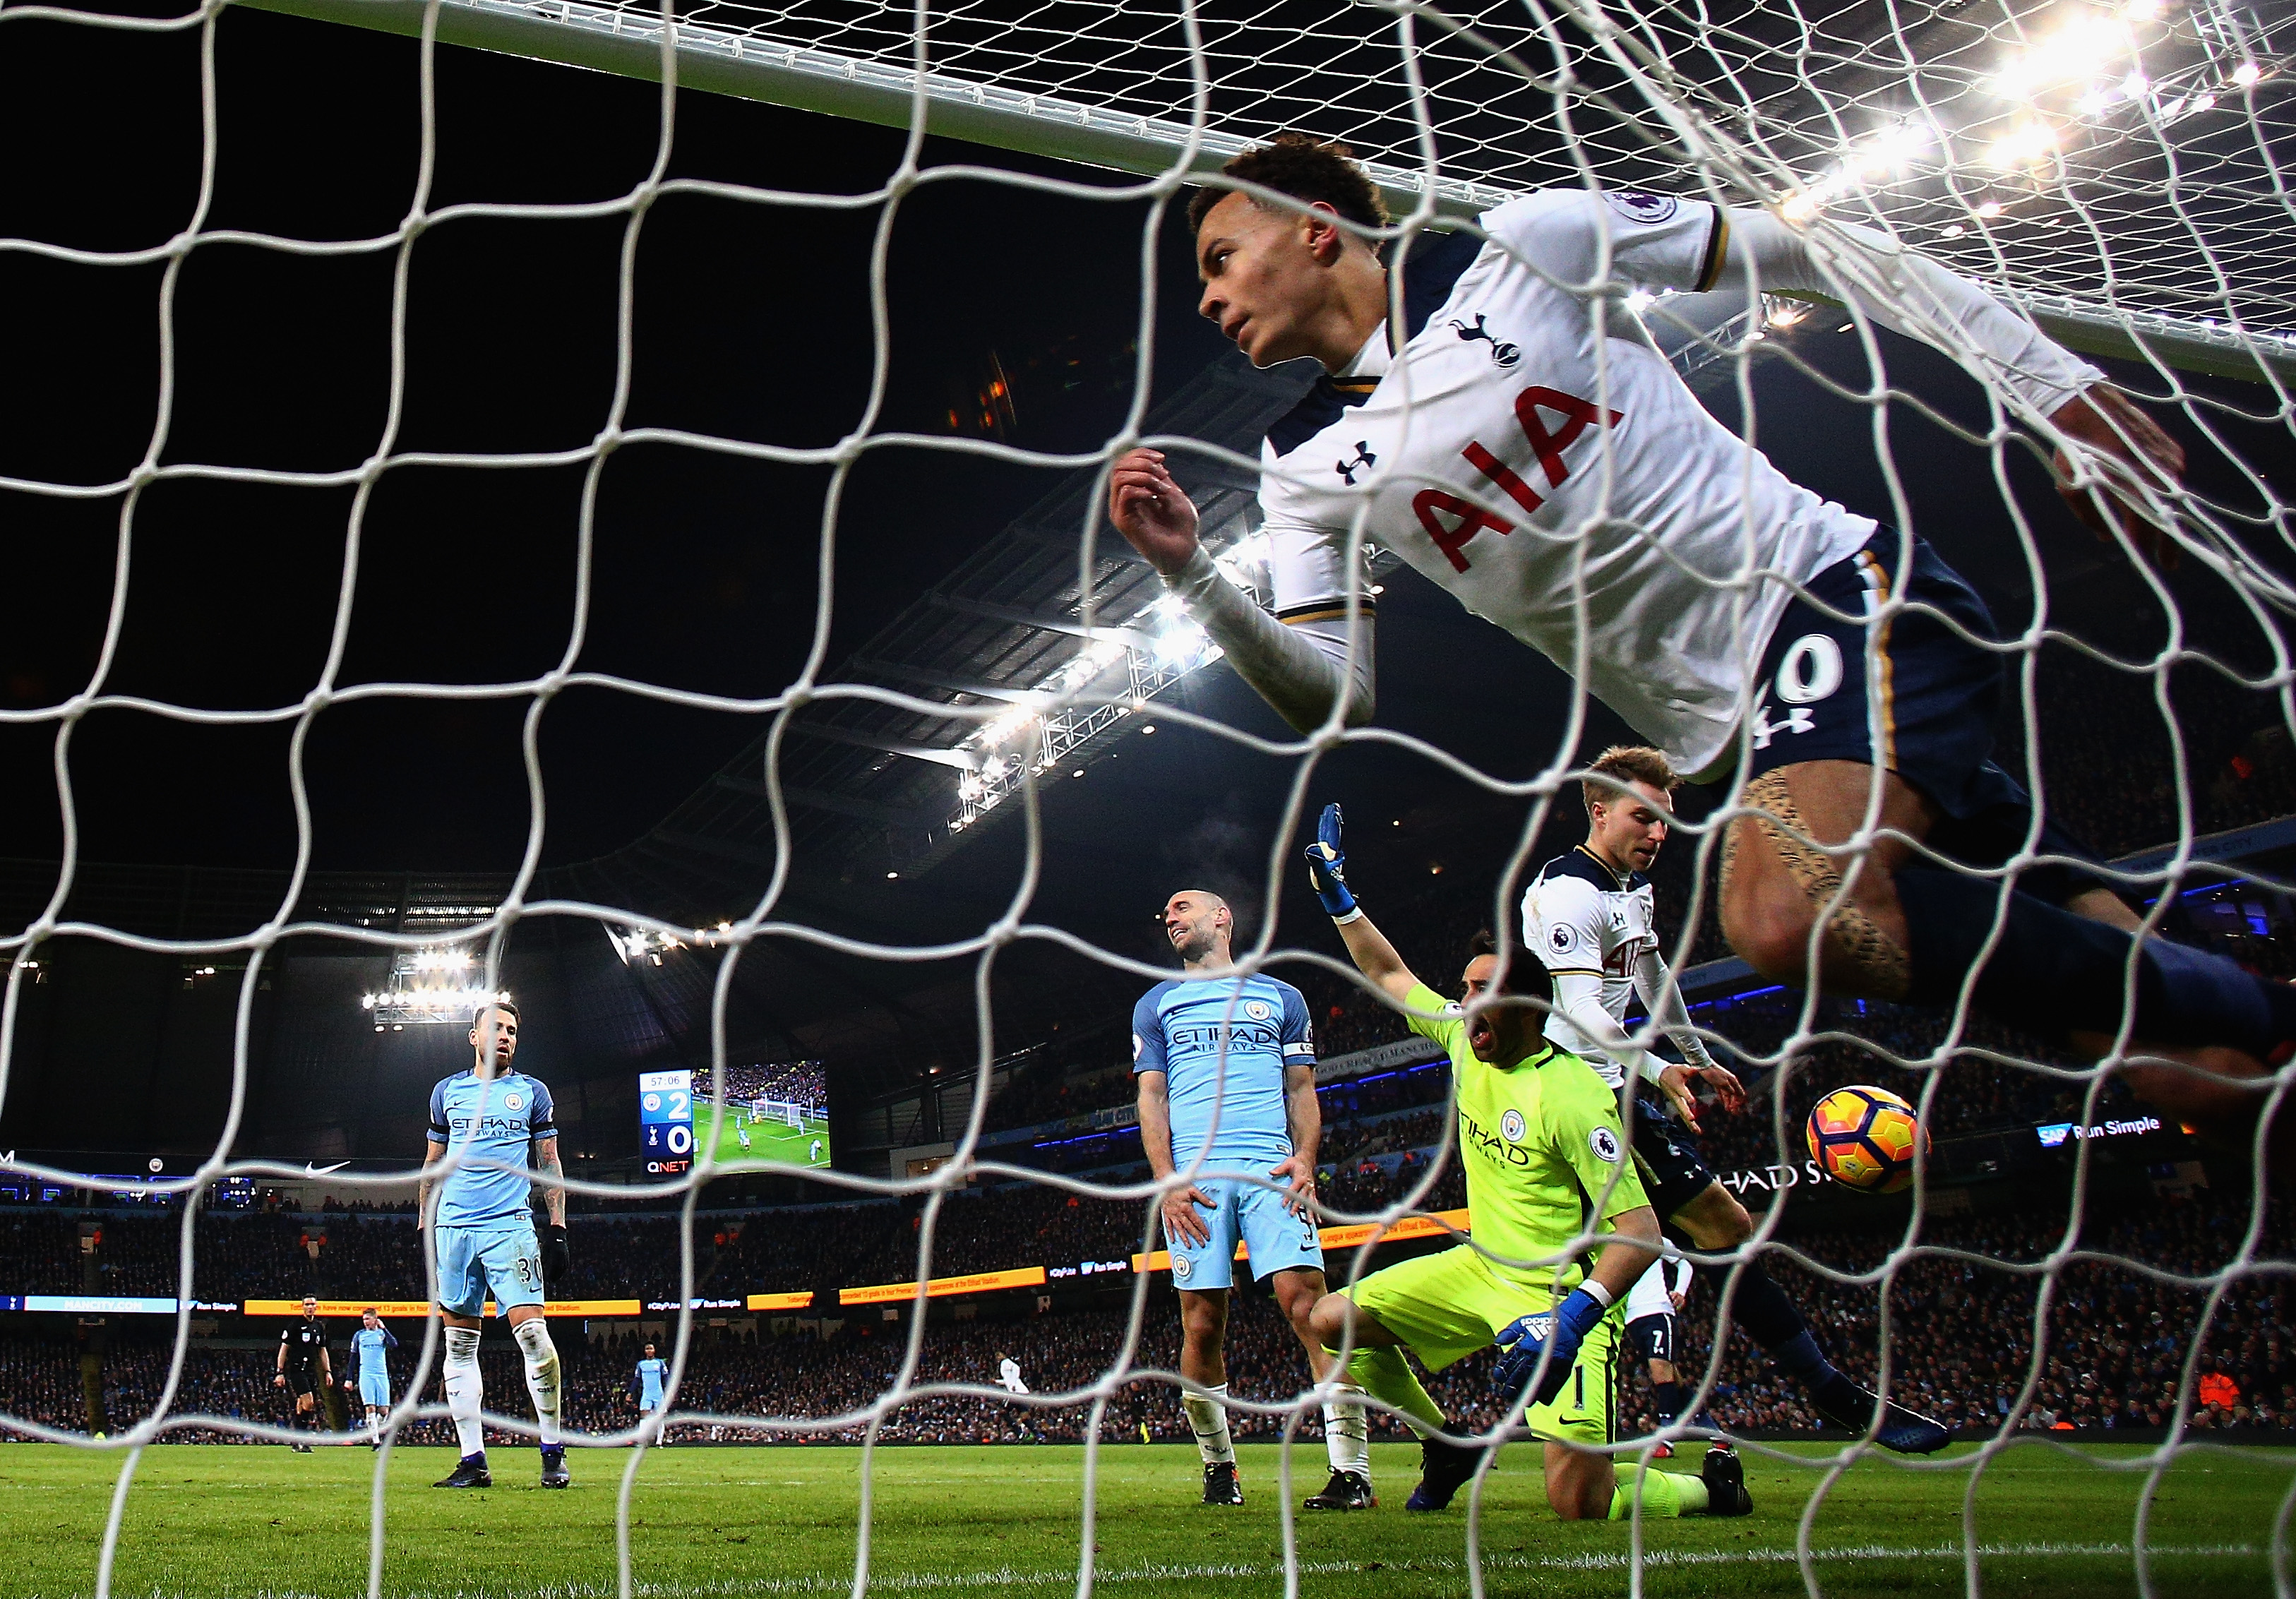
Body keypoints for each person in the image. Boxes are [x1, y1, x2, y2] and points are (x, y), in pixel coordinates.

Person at [1106, 133, 2292, 1139]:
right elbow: (1334, 702)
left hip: (1831, 592)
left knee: (1780, 915)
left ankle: (2255, 1002)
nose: (1209, 298)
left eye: (1220, 260)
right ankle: (2231, 1026)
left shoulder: (1529, 248)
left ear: (1318, 229)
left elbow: (1820, 248)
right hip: (1749, 739)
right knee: (2189, 1080)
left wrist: (2053, 391)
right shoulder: (1302, 470)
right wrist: (1194, 576)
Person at [1519, 750, 1948, 1451]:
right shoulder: (1568, 892)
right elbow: (1584, 1011)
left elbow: (1654, 973)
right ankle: (1828, 1396)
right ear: (1599, 812)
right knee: (1707, 1233)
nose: (1658, 833)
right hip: (1572, 1090)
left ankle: (1684, 1404)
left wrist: (1697, 1057)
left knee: (1703, 1236)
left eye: (1665, 820)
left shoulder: (1630, 887)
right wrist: (1660, 1072)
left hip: (1615, 1085)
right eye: (1642, 816)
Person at [1301, 906, 1750, 1521]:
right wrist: (1342, 904)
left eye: (1483, 990)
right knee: (1331, 1319)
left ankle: (1709, 1490)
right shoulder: (1462, 1037)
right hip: (1482, 1270)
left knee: (1581, 1504)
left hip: (1561, 1296)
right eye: (1464, 988)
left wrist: (1572, 1316)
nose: (1464, 1003)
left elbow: (1641, 1233)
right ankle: (1448, 1442)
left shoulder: (1573, 1096)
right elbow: (1389, 971)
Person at [1135, 888, 1372, 1510]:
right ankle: (1220, 1469)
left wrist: (1308, 1160)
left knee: (1310, 1309)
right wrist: (1167, 1180)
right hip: (1197, 1183)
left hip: (1272, 1172)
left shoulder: (1282, 998)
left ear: (1222, 918)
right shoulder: (1155, 1005)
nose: (1170, 917)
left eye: (1181, 907)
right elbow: (1152, 1099)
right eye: (1168, 913)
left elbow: (1301, 1088)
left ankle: (1352, 1473)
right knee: (1201, 1322)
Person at [421, 999, 571, 1490]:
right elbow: (432, 1164)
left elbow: (549, 1161)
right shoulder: (447, 1092)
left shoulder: (531, 1092)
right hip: (455, 1230)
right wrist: (425, 1223)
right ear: (474, 1037)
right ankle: (473, 1460)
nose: (505, 1036)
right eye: (496, 1028)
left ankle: (552, 1451)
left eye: (511, 1030)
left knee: (534, 1337)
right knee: (459, 1346)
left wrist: (558, 1227)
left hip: (510, 1226)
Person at [1622, 1255, 1698, 1459]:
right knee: (1672, 1375)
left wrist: (1680, 1291)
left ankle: (1666, 1439)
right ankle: (1712, 1428)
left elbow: (1684, 1263)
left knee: (1661, 1371)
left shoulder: (1655, 1239)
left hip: (1657, 1311)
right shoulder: (1612, 1241)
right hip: (1631, 1319)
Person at [273, 1296, 330, 1452]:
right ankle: (302, 1439)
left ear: (317, 1306)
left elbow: (322, 1350)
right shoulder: (295, 1325)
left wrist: (328, 1371)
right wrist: (280, 1372)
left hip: (311, 1370)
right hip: (297, 1369)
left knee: (302, 1405)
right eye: (307, 1304)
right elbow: (284, 1349)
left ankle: (296, 1441)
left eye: (313, 1304)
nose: (310, 1307)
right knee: (309, 1402)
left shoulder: (319, 1326)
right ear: (302, 1307)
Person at [343, 1307, 399, 1447]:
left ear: (375, 1319)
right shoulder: (359, 1336)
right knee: (370, 1408)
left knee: (384, 1412)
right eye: (364, 1319)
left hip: (381, 1374)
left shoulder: (382, 1334)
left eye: (368, 1319)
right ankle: (376, 1441)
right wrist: (349, 1378)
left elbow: (394, 1345)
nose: (366, 1322)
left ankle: (373, 1430)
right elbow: (353, 1358)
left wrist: (384, 1328)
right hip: (366, 1375)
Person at [633, 1341, 669, 1444]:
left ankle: (659, 1441)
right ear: (645, 1351)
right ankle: (643, 1440)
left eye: (651, 1348)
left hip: (658, 1393)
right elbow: (637, 1379)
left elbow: (666, 1377)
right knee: (643, 1416)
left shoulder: (660, 1363)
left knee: (660, 1417)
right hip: (647, 1394)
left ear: (654, 1350)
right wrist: (630, 1392)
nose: (649, 1350)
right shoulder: (641, 1364)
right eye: (647, 1349)